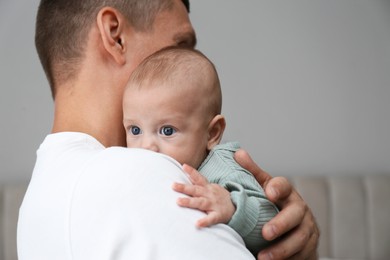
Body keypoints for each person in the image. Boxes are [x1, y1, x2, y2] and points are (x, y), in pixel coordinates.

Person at [17, 0, 319, 259]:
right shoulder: (140, 174)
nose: (185, 63)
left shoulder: (35, 206)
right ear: (115, 35)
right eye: (180, 45)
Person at [123, 46, 279, 255]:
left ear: (212, 133)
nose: (147, 147)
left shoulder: (223, 168)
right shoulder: (140, 169)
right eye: (135, 130)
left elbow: (272, 223)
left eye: (167, 130)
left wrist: (232, 207)